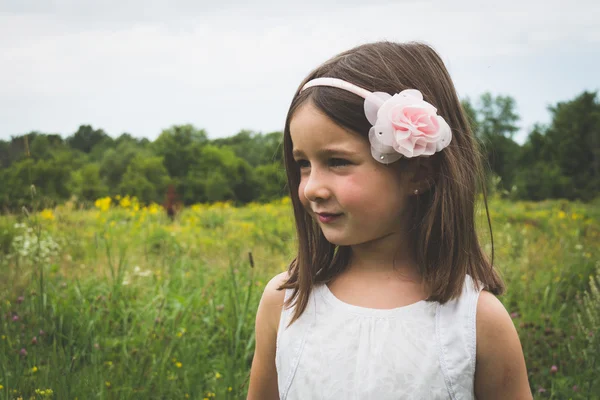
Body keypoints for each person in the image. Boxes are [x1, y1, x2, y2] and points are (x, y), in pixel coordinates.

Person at [247, 41, 532, 400]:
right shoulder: (286, 302)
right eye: (303, 163)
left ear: (418, 172)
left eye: (337, 161)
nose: (312, 188)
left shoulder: (477, 322)